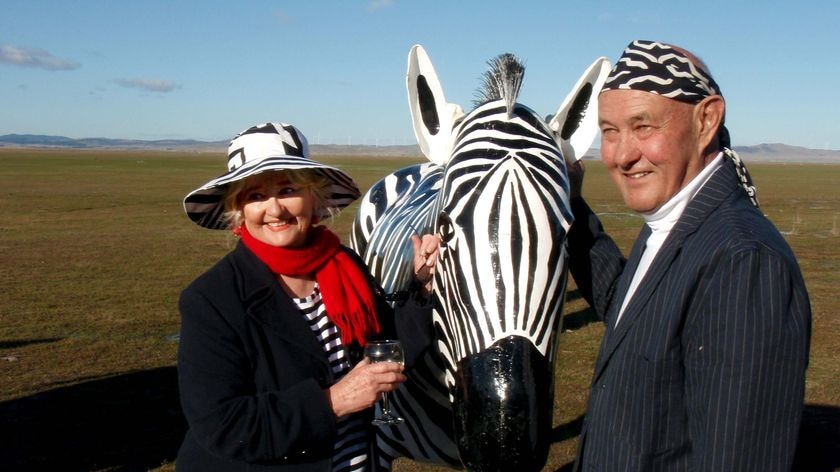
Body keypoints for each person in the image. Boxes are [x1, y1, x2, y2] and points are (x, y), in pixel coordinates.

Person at [566, 40, 811, 471]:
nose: (622, 156)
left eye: (643, 127)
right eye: (609, 131)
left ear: (706, 120)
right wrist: (570, 208)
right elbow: (629, 313)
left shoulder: (742, 262)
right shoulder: (672, 222)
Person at [176, 122, 438, 472]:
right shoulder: (212, 300)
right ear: (239, 210)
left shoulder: (344, 265)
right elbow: (223, 424)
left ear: (314, 197)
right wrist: (333, 402)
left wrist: (422, 285)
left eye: (287, 189)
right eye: (255, 196)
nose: (275, 209)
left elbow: (386, 350)